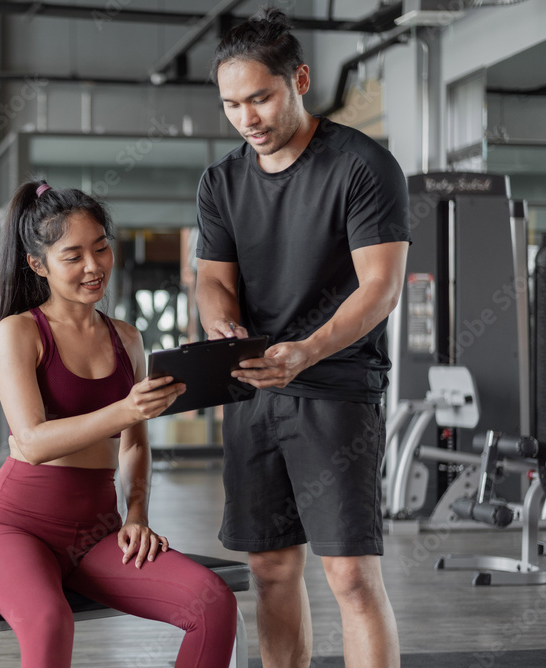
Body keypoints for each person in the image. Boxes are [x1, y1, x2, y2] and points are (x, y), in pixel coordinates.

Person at [194, 8, 410, 668]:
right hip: (253, 391)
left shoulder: (362, 167)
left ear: (300, 80)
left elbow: (380, 287)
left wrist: (309, 350)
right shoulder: (222, 182)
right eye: (232, 104)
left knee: (349, 577)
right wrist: (219, 322)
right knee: (271, 572)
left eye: (260, 97)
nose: (247, 118)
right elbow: (212, 282)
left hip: (336, 391)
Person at [0, 180, 237, 668]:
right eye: (73, 256)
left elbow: (133, 447)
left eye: (101, 249)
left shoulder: (126, 339)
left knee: (213, 603)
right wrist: (127, 409)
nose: (94, 267)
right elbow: (31, 442)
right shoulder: (19, 333)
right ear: (37, 264)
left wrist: (137, 515)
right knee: (51, 622)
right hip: (15, 531)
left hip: (98, 533)